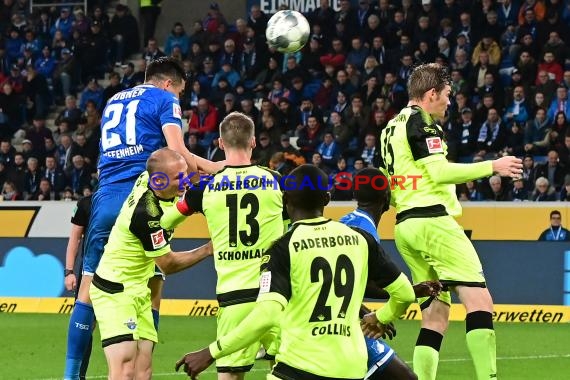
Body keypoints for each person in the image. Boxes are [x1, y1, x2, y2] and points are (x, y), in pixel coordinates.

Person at [174, 164, 417, 380]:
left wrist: (210, 352)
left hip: (298, 367)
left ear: (285, 199)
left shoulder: (281, 249)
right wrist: (380, 318)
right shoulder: (361, 239)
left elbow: (266, 315)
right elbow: (405, 294)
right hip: (349, 368)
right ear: (327, 199)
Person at [63, 56, 221, 380]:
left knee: (87, 292)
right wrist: (222, 169)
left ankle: (70, 375)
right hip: (145, 194)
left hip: (104, 197)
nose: (178, 98)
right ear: (168, 84)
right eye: (179, 92)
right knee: (153, 287)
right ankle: (139, 369)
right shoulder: (164, 99)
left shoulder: (113, 100)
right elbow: (178, 155)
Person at [377, 63, 523, 380]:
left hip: (405, 225)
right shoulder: (422, 122)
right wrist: (492, 166)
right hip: (432, 221)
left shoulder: (390, 127)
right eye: (446, 95)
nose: (449, 101)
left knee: (435, 316)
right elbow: (439, 173)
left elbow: (395, 183)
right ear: (431, 94)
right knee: (480, 301)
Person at [161, 112, 288, 379]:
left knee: (229, 375)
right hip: (276, 296)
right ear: (253, 142)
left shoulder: (205, 189)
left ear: (220, 143)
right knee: (287, 372)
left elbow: (166, 219)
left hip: (233, 298)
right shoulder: (276, 180)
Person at [90, 148, 213, 380]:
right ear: (158, 180)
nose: (184, 180)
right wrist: (207, 249)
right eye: (179, 177)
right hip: (115, 290)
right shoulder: (146, 215)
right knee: (124, 369)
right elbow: (167, 264)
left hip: (140, 290)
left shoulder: (149, 177)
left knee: (143, 370)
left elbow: (181, 160)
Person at [340, 168, 441, 380]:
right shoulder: (365, 231)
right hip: (342, 329)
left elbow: (342, 283)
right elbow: (358, 284)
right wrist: (413, 291)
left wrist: (365, 312)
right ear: (387, 198)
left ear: (354, 195)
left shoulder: (345, 222)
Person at [63, 194, 93, 380]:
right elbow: (75, 237)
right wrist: (69, 271)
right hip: (89, 271)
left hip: (123, 271)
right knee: (85, 326)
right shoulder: (86, 203)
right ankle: (78, 376)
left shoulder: (132, 198)